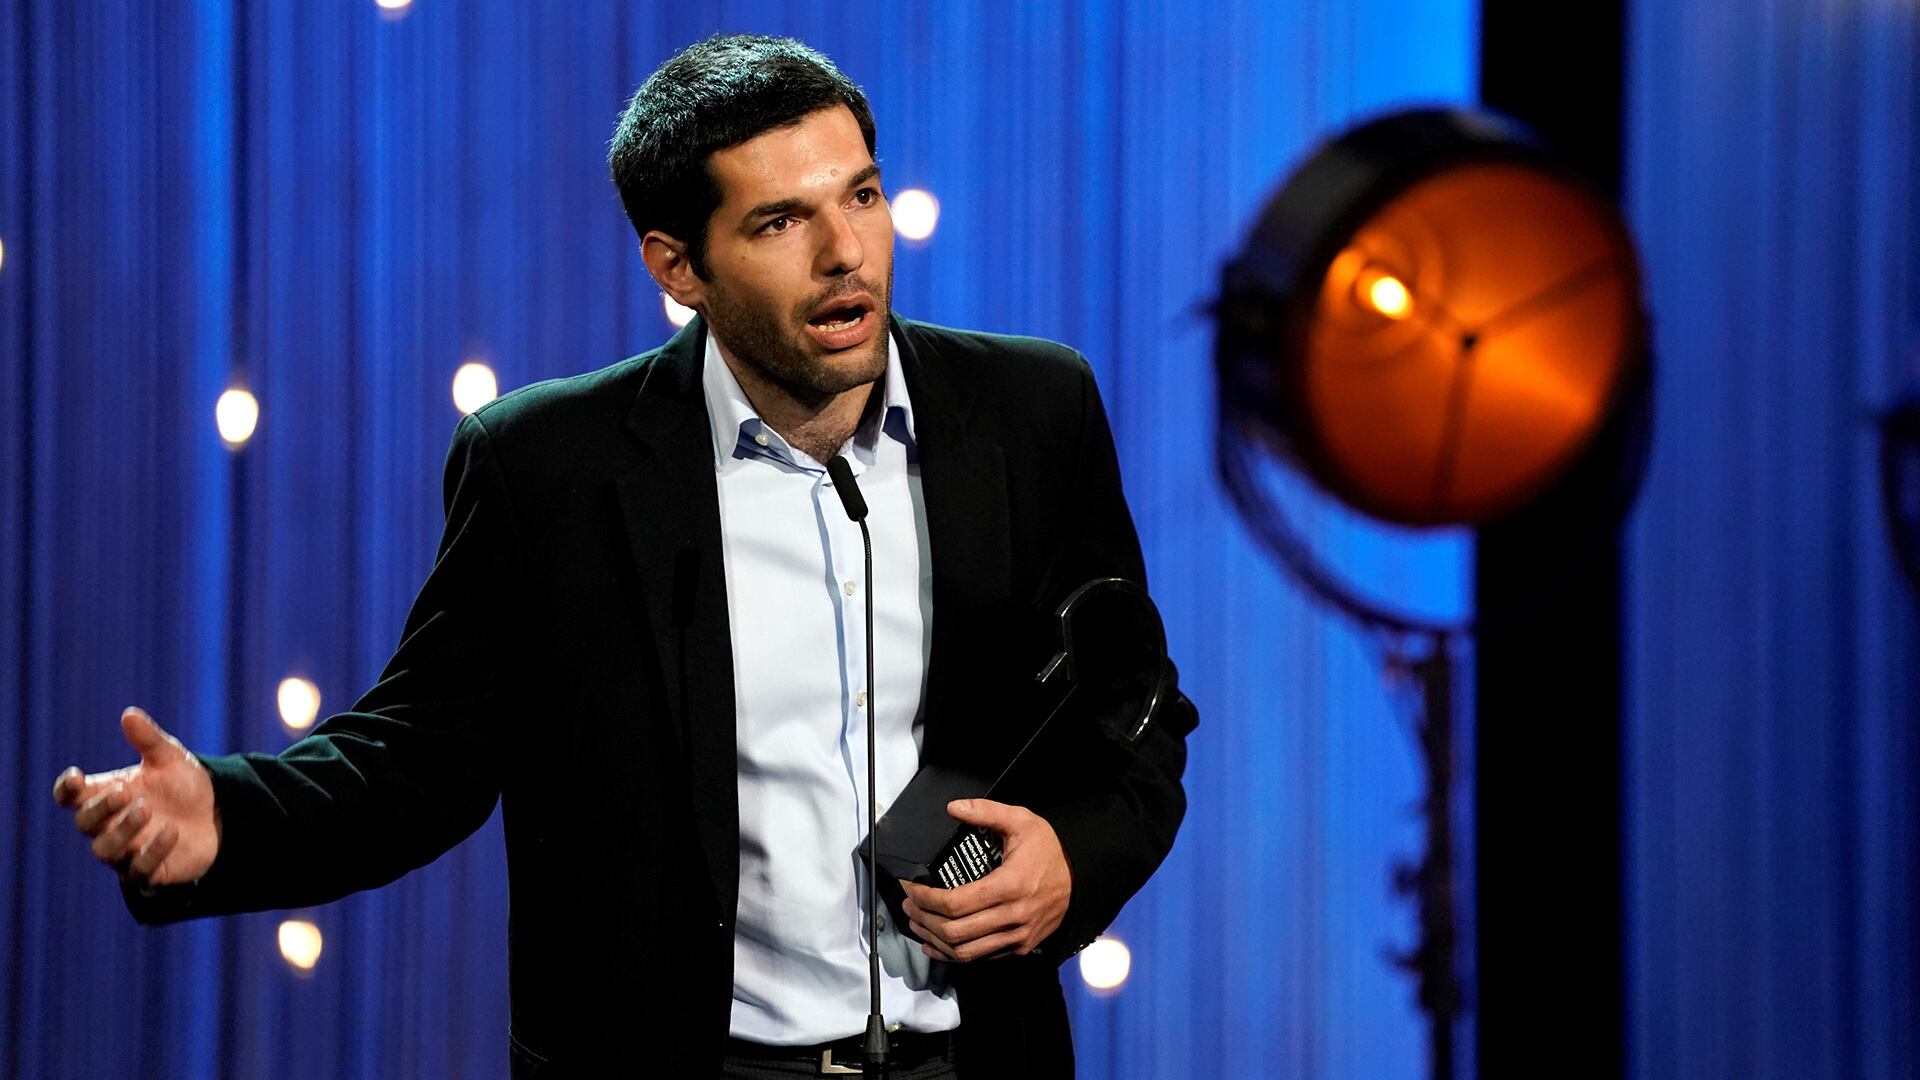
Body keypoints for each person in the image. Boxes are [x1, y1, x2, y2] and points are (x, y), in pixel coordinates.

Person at [52, 34, 1194, 1078]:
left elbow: (1135, 717)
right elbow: (421, 757)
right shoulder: (549, 467)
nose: (848, 252)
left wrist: (1074, 866)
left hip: (975, 1060)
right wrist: (225, 823)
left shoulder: (1035, 410)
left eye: (863, 195)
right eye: (781, 221)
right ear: (677, 266)